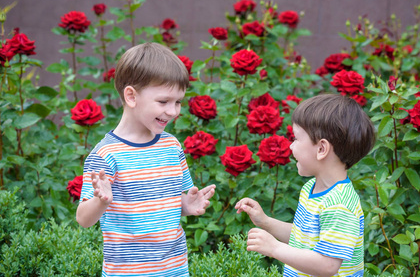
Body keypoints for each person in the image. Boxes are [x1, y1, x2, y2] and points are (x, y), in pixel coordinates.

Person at [76, 42, 216, 277]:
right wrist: (101, 202)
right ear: (131, 96)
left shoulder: (171, 146)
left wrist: (186, 206)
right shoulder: (106, 156)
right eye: (163, 102)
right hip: (129, 272)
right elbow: (83, 219)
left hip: (175, 269)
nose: (173, 111)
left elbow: (164, 204)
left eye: (178, 102)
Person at [235, 94, 375, 277]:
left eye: (296, 139)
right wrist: (266, 222)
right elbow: (303, 238)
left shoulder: (339, 205)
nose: (291, 146)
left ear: (321, 149)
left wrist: (275, 248)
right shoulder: (312, 188)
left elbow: (327, 266)